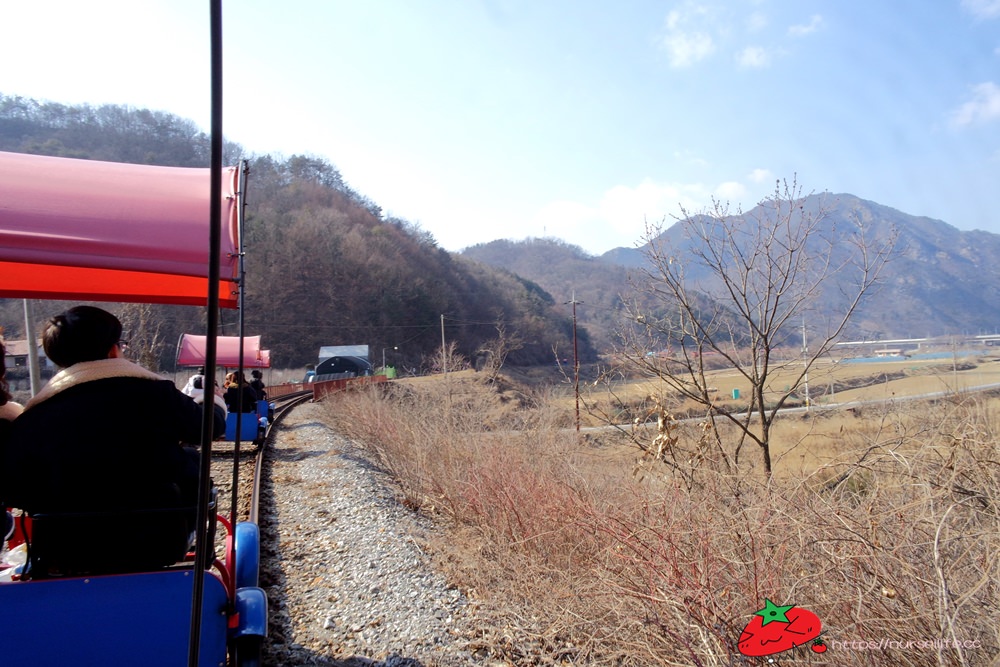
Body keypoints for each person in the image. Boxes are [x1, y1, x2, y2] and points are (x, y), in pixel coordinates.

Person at [0, 306, 227, 575]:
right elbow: (208, 427)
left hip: (64, 550)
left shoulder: (35, 416)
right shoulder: (153, 393)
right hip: (158, 541)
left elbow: (15, 488)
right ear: (112, 351)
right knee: (190, 460)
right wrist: (213, 400)